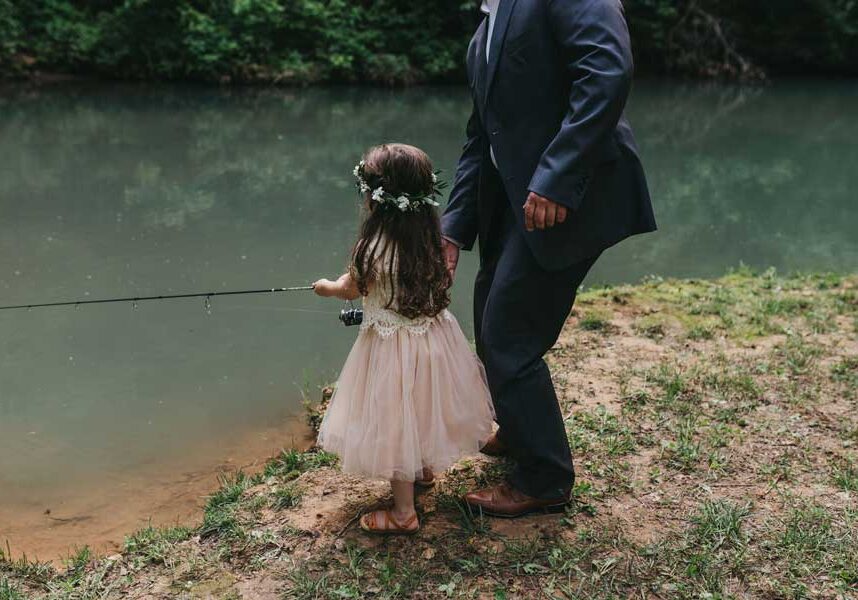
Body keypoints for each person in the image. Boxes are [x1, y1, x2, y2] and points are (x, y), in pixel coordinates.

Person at [442, 0, 657, 517]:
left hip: (574, 191)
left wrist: (557, 177)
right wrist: (452, 229)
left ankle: (545, 478)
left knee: (509, 329)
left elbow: (607, 72)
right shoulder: (484, 32)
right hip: (515, 200)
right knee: (488, 301)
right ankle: (519, 430)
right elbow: (481, 139)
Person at [313, 143, 495, 534]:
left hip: (391, 349)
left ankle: (403, 513)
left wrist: (325, 288)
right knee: (424, 406)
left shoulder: (372, 248)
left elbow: (350, 288)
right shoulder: (433, 240)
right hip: (435, 344)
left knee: (395, 422)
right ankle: (421, 469)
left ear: (375, 198)